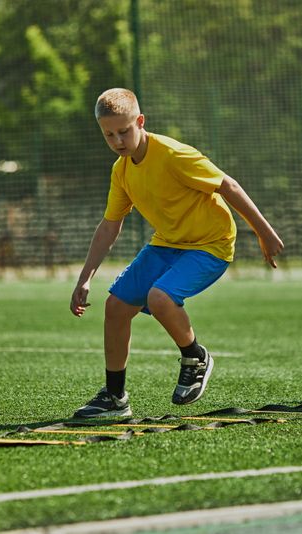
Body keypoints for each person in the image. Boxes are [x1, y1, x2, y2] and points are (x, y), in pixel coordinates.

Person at [70, 88, 283, 418]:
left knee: (160, 297)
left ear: (140, 122)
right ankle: (115, 398)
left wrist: (264, 232)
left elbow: (228, 186)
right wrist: (85, 279)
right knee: (115, 307)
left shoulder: (172, 154)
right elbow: (110, 225)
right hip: (168, 243)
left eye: (124, 131)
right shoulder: (121, 171)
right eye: (108, 134)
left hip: (210, 244)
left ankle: (195, 356)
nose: (117, 141)